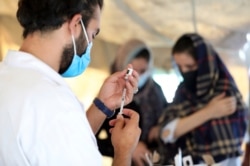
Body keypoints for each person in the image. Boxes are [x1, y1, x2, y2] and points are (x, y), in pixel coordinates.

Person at [0, 0, 141, 165]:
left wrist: (103, 104)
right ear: (75, 24)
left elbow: (57, 141)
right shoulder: (55, 104)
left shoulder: (7, 76)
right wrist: (124, 151)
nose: (90, 44)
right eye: (93, 34)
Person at [148, 33, 248, 166]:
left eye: (190, 67)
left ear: (204, 63)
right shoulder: (183, 92)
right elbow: (166, 133)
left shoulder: (226, 90)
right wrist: (210, 111)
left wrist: (186, 123)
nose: (184, 71)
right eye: (179, 67)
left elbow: (235, 139)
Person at [96, 39, 168, 166]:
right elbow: (93, 138)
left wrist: (161, 128)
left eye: (143, 71)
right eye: (133, 71)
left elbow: (168, 117)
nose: (138, 76)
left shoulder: (155, 91)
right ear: (123, 66)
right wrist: (128, 149)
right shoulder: (113, 93)